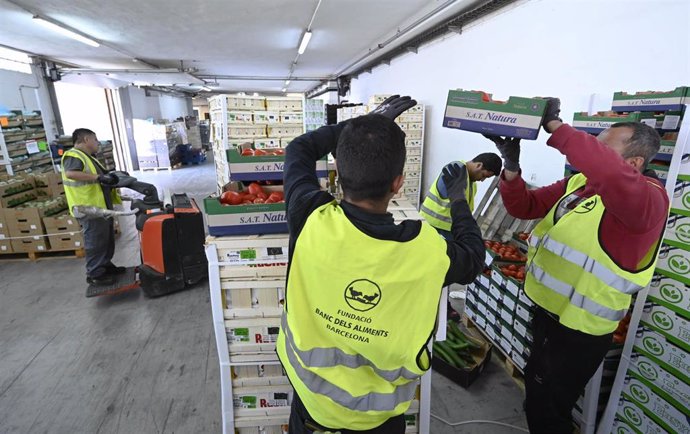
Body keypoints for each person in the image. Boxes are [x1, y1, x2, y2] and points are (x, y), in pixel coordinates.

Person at [277, 96, 485, 433]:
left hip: (310, 410)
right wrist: (459, 199)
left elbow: (298, 149)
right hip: (380, 422)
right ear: (398, 183)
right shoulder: (428, 251)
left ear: (338, 173)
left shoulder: (310, 218)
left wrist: (355, 126)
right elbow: (474, 256)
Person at [488, 98, 668, 434]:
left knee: (548, 410)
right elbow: (524, 206)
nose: (591, 152)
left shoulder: (648, 201)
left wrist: (556, 127)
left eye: (602, 147)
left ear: (635, 162)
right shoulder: (580, 185)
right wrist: (511, 167)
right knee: (538, 396)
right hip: (549, 313)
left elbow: (610, 172)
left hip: (580, 328)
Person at [62, 128, 124, 286]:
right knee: (95, 241)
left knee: (106, 239)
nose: (97, 143)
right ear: (86, 140)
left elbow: (100, 177)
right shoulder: (74, 155)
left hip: (100, 207)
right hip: (88, 208)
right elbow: (71, 174)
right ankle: (95, 273)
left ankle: (104, 266)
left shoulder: (89, 157)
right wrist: (99, 177)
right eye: (95, 140)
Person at [420, 153, 502, 238]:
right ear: (479, 165)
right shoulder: (455, 169)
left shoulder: (471, 184)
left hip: (449, 230)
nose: (482, 180)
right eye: (483, 175)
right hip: (433, 227)